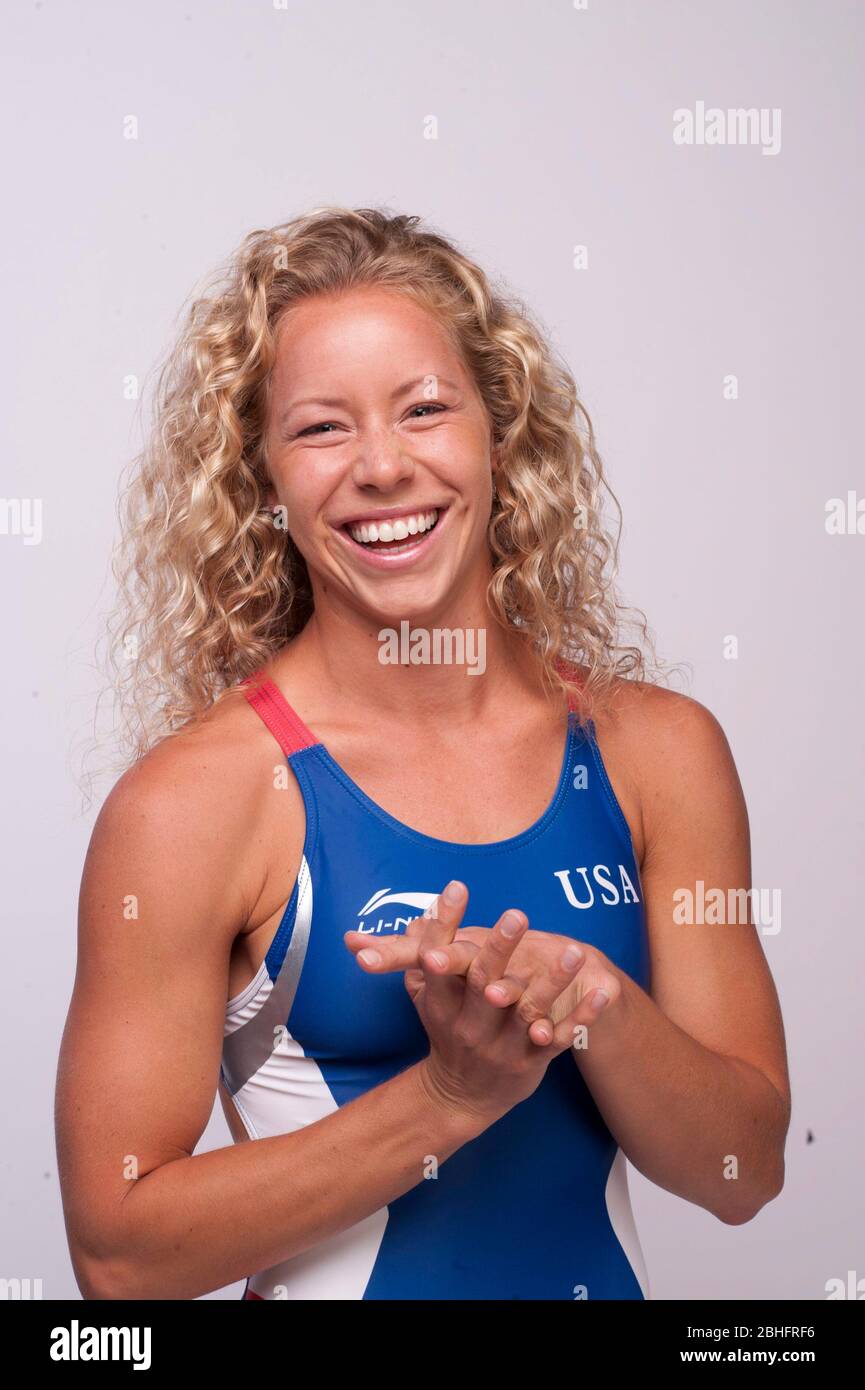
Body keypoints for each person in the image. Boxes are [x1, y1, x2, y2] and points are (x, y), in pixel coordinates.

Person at [56, 207, 790, 1301]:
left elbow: (744, 1170)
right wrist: (451, 1094)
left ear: (500, 434)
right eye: (320, 429)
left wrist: (587, 998)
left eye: (425, 410)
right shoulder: (193, 803)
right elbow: (120, 1259)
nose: (383, 467)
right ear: (262, 479)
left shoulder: (656, 751)